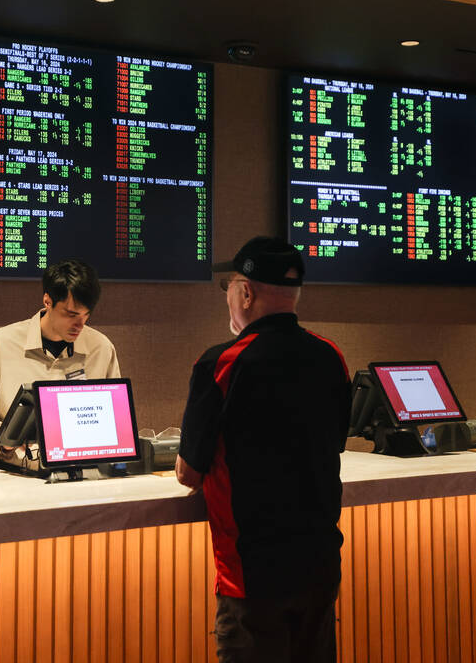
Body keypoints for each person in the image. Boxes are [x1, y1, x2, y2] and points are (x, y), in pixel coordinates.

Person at [176, 236, 351, 663]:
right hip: (320, 568)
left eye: (229, 288)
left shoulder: (221, 362)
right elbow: (336, 441)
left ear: (247, 292)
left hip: (252, 578)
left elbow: (188, 473)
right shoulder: (332, 357)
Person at [0, 258, 120, 464]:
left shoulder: (101, 348)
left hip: (84, 472)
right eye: (71, 314)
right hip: (17, 474)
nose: (79, 325)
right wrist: (4, 440)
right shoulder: (1, 343)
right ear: (48, 301)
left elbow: (117, 419)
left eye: (86, 315)